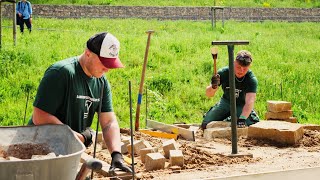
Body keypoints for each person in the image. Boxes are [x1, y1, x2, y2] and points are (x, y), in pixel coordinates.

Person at [28, 32, 132, 174]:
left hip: (68, 151)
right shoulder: (61, 73)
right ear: (88, 53)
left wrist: (116, 155)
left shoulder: (101, 82)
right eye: (103, 63)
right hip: (39, 150)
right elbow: (40, 117)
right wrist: (78, 137)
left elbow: (108, 122)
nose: (107, 69)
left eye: (110, 64)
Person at [201, 50, 259, 129]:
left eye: (245, 69)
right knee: (206, 123)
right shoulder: (223, 72)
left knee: (251, 126)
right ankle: (230, 119)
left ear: (249, 66)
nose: (241, 71)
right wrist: (213, 87)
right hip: (226, 102)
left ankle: (234, 118)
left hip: (241, 105)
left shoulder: (251, 79)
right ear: (234, 63)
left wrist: (242, 118)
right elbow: (209, 94)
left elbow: (249, 102)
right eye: (238, 67)